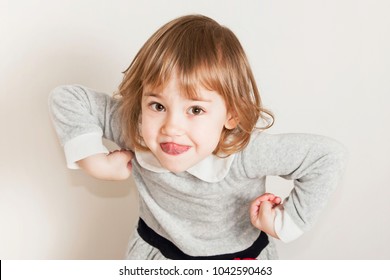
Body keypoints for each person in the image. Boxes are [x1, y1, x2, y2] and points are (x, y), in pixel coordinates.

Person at [48, 14, 347, 260]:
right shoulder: (136, 128)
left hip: (238, 261)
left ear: (230, 114)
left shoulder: (246, 154)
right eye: (158, 105)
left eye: (195, 109)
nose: (171, 127)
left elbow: (327, 157)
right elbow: (67, 97)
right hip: (156, 254)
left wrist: (285, 222)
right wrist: (93, 160)